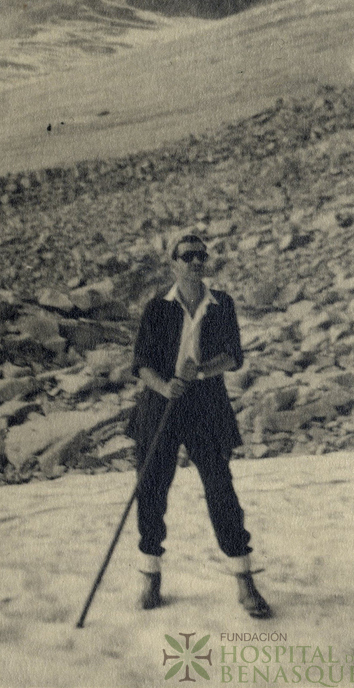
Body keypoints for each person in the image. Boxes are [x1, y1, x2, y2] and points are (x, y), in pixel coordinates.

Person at [126, 228, 271, 618]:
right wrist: (166, 385)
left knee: (220, 487)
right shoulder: (157, 307)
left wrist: (201, 370)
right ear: (172, 262)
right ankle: (151, 575)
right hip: (161, 406)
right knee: (152, 489)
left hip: (206, 404)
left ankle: (244, 579)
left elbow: (233, 356)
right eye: (186, 255)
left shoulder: (221, 304)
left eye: (200, 256)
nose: (194, 262)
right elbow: (140, 364)